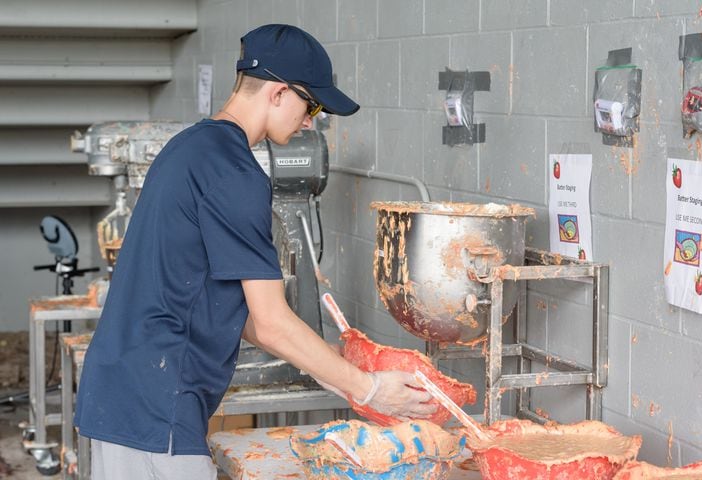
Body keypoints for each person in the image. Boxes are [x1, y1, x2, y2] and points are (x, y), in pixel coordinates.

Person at [74, 24, 435, 480]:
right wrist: (368, 389)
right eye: (313, 105)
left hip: (125, 391)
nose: (311, 121)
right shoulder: (236, 173)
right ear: (280, 92)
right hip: (157, 399)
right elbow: (270, 321)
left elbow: (233, 310)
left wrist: (328, 364)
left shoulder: (190, 148)